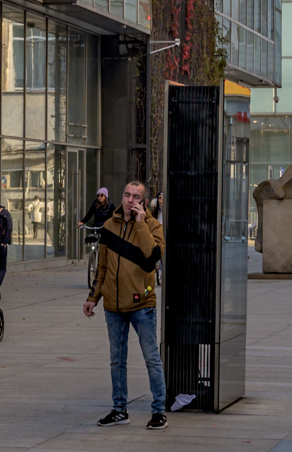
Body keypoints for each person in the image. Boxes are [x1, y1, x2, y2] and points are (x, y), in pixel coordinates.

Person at [83, 181, 168, 431]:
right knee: (117, 360)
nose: (131, 200)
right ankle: (119, 409)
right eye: (127, 195)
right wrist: (93, 297)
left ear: (144, 202)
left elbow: (153, 258)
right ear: (121, 197)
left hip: (142, 304)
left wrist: (140, 224)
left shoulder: (153, 226)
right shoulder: (110, 225)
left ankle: (159, 411)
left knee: (151, 358)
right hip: (113, 306)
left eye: (136, 197)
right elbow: (102, 267)